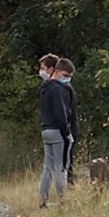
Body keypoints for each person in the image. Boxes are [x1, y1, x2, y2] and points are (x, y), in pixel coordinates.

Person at [38, 56, 73, 208]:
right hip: (57, 131)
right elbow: (61, 113)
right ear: (57, 72)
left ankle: (43, 199)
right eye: (65, 76)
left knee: (47, 166)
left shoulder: (45, 87)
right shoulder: (58, 89)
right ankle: (62, 199)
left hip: (46, 129)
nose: (67, 80)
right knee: (59, 167)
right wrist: (67, 132)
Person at [59, 66, 80, 184]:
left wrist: (67, 130)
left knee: (67, 160)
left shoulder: (65, 89)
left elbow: (68, 111)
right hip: (68, 128)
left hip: (69, 128)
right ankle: (67, 183)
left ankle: (68, 183)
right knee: (66, 159)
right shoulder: (65, 88)